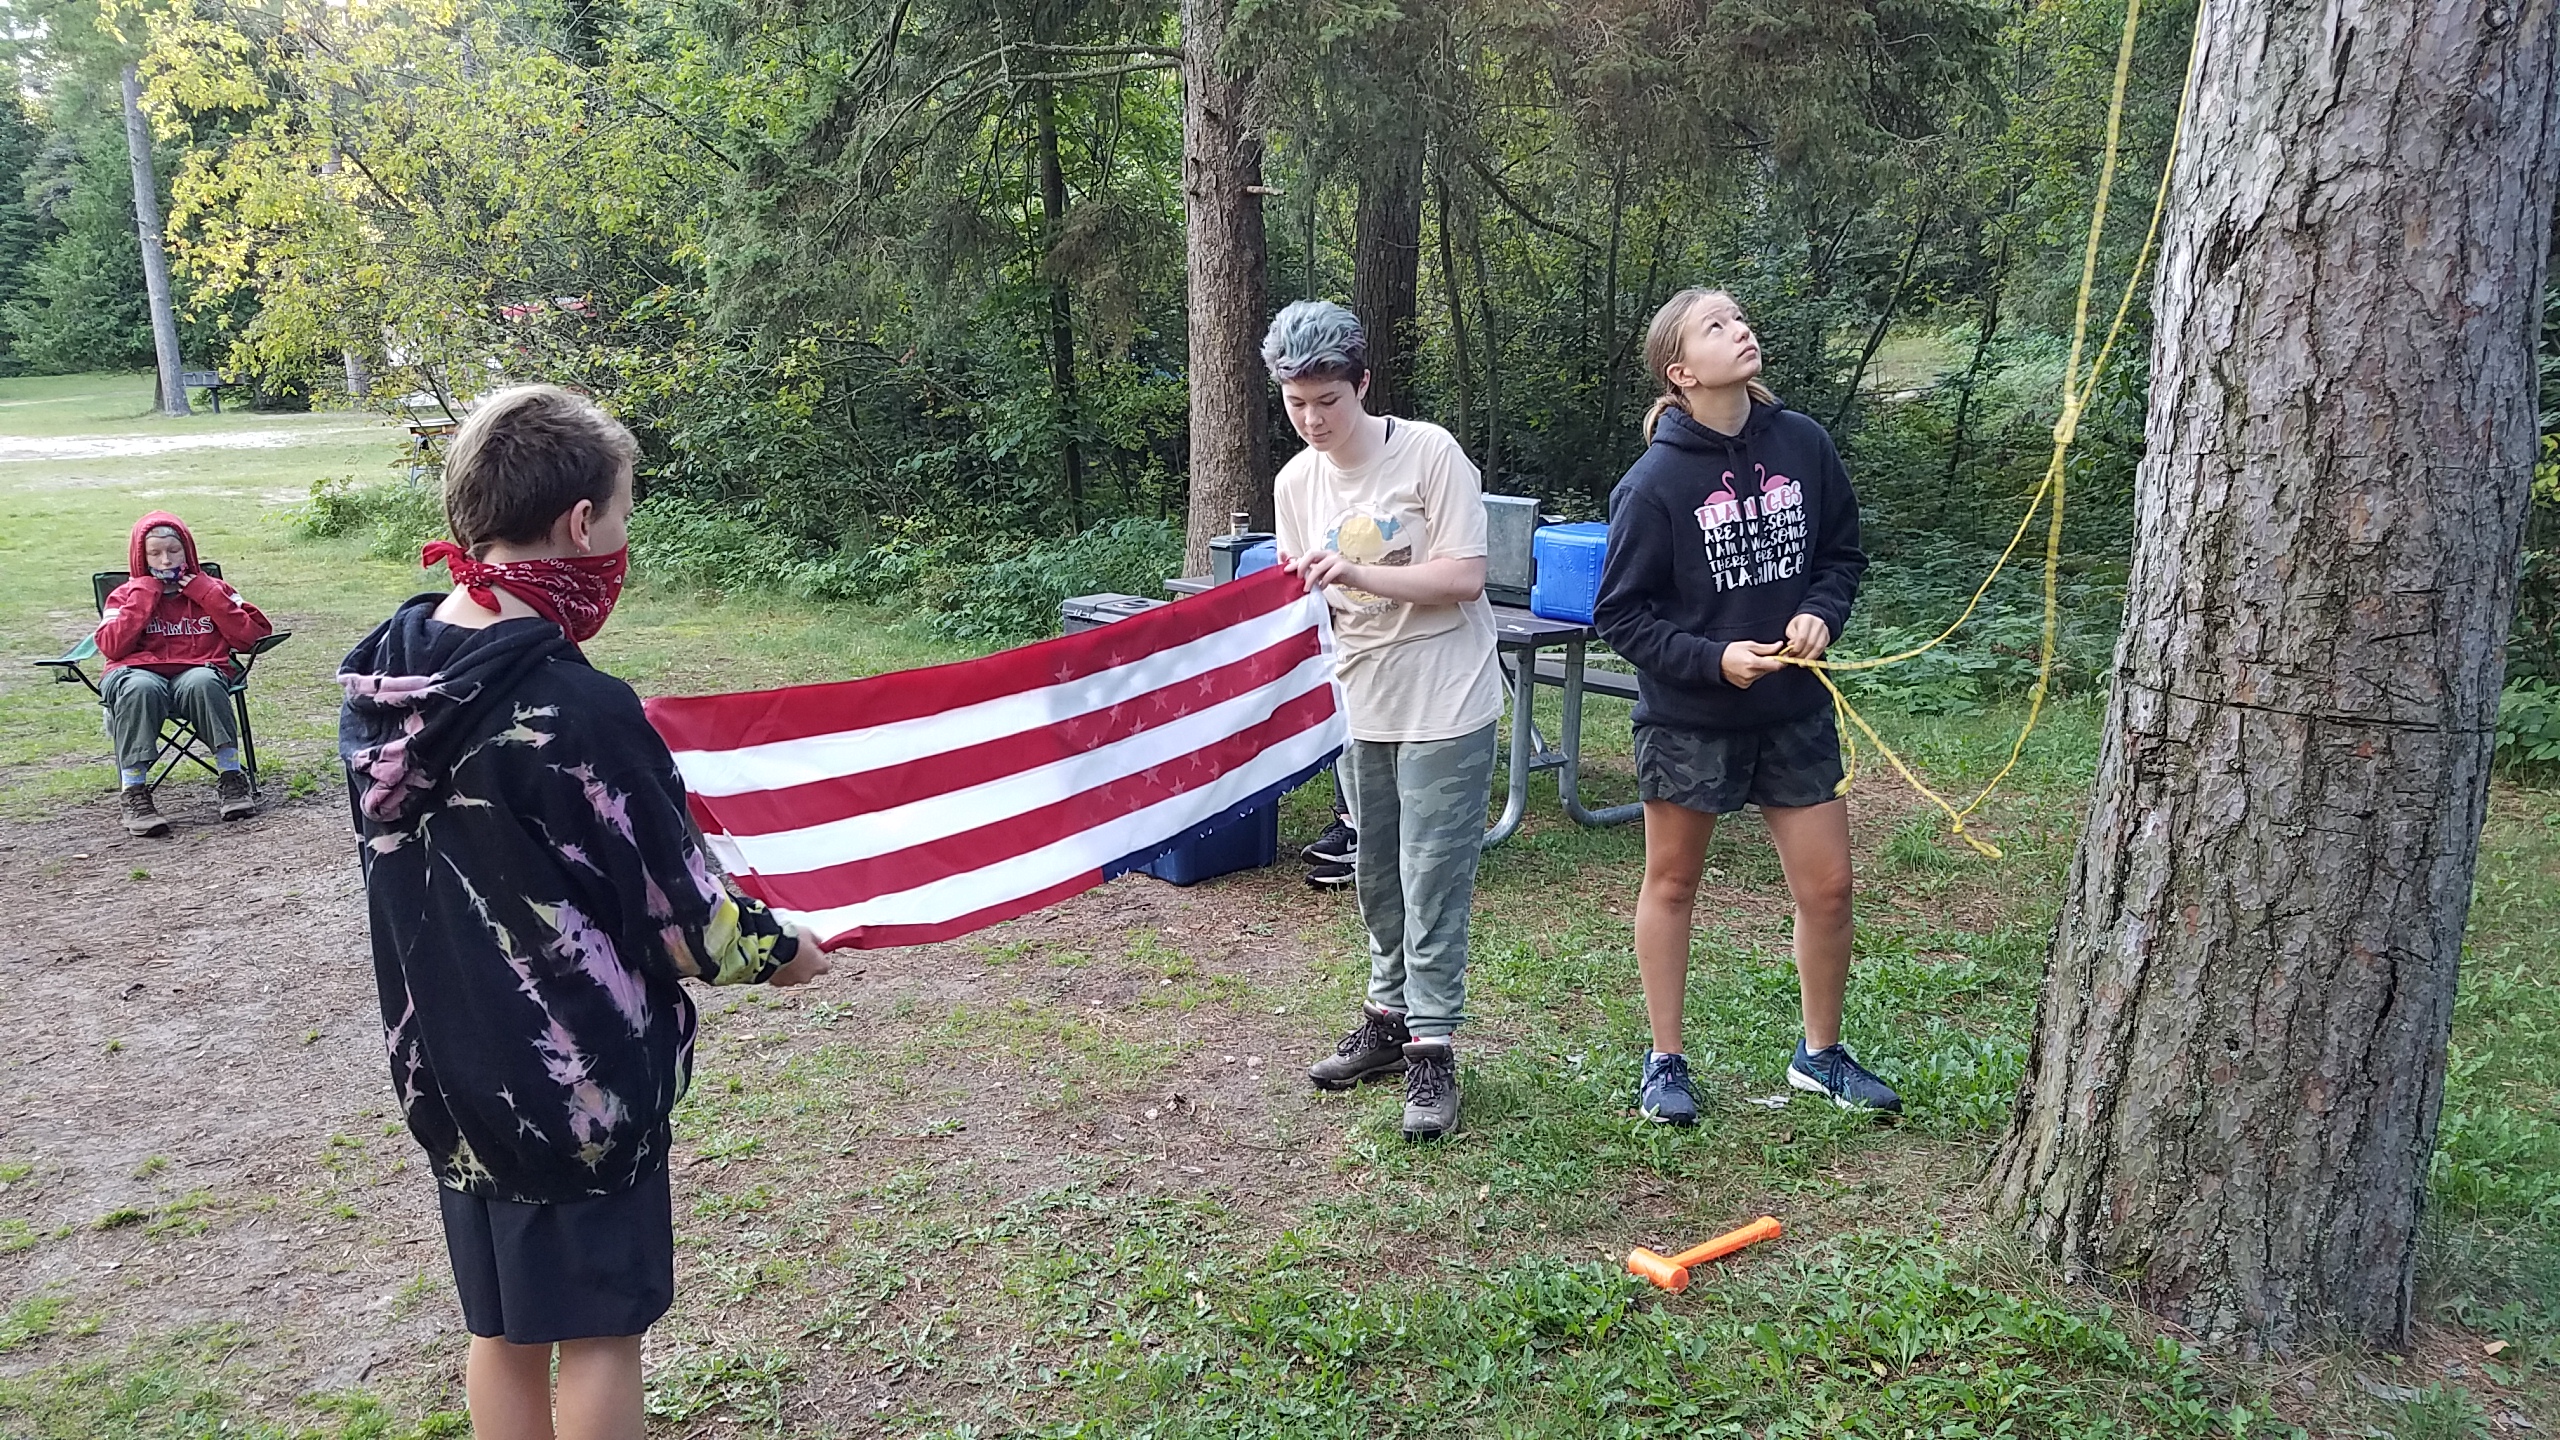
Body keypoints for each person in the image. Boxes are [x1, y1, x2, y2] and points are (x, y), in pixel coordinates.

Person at [339, 385, 833, 1440]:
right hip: (573, 1088)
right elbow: (685, 924)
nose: (619, 540)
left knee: (507, 1324)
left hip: (448, 1069)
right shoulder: (576, 710)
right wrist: (786, 949)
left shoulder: (392, 666)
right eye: (619, 517)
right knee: (599, 1334)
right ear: (578, 523)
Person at [1593, 287, 1902, 1127]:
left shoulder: (1802, 443)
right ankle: (1664, 1063)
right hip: (1691, 719)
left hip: (1794, 711)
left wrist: (1820, 614)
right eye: (1717, 326)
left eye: (1740, 317)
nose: (1742, 330)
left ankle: (1821, 1055)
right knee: (1673, 882)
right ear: (1681, 371)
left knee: (1830, 889)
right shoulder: (1654, 483)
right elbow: (1619, 614)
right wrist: (1711, 660)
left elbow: (1841, 552)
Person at [1267, 300, 1501, 1142]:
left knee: (1431, 872)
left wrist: (1360, 577)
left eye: (1327, 399)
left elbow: (1467, 576)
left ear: (1362, 384)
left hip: (1447, 692)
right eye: (1296, 402)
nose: (1313, 418)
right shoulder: (1297, 482)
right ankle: (1385, 1018)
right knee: (1375, 869)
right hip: (1359, 700)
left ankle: (1432, 1049)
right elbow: (1305, 600)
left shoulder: (1429, 453)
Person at [96, 511, 273, 835]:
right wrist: (144, 596)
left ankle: (231, 778)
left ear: (188, 551)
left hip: (198, 669)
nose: (165, 560)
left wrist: (206, 594)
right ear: (141, 556)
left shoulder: (214, 589)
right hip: (136, 671)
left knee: (203, 681)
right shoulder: (125, 594)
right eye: (155, 553)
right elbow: (111, 646)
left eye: (173, 551)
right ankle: (134, 791)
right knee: (139, 689)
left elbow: (253, 637)